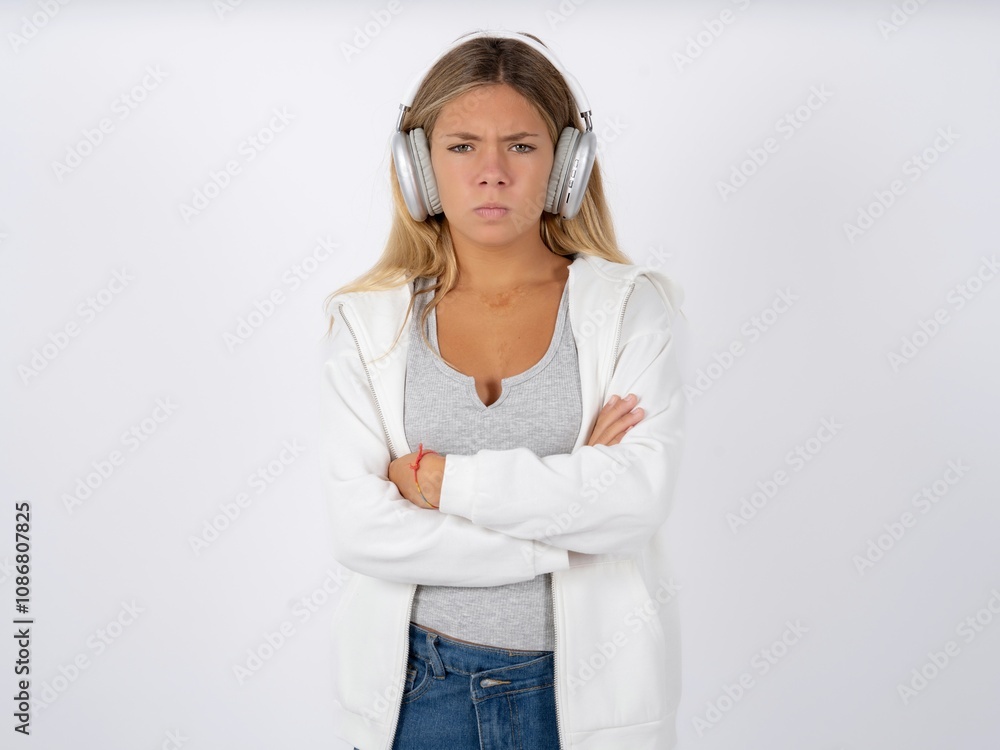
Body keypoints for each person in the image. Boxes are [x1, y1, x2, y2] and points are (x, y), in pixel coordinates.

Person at [321, 28, 688, 750]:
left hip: (583, 700)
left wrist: (437, 481)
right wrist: (564, 522)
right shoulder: (366, 324)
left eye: (521, 145)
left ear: (565, 166)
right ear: (420, 166)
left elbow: (635, 500)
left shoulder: (630, 309)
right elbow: (359, 527)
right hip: (416, 696)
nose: (491, 172)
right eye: (462, 146)